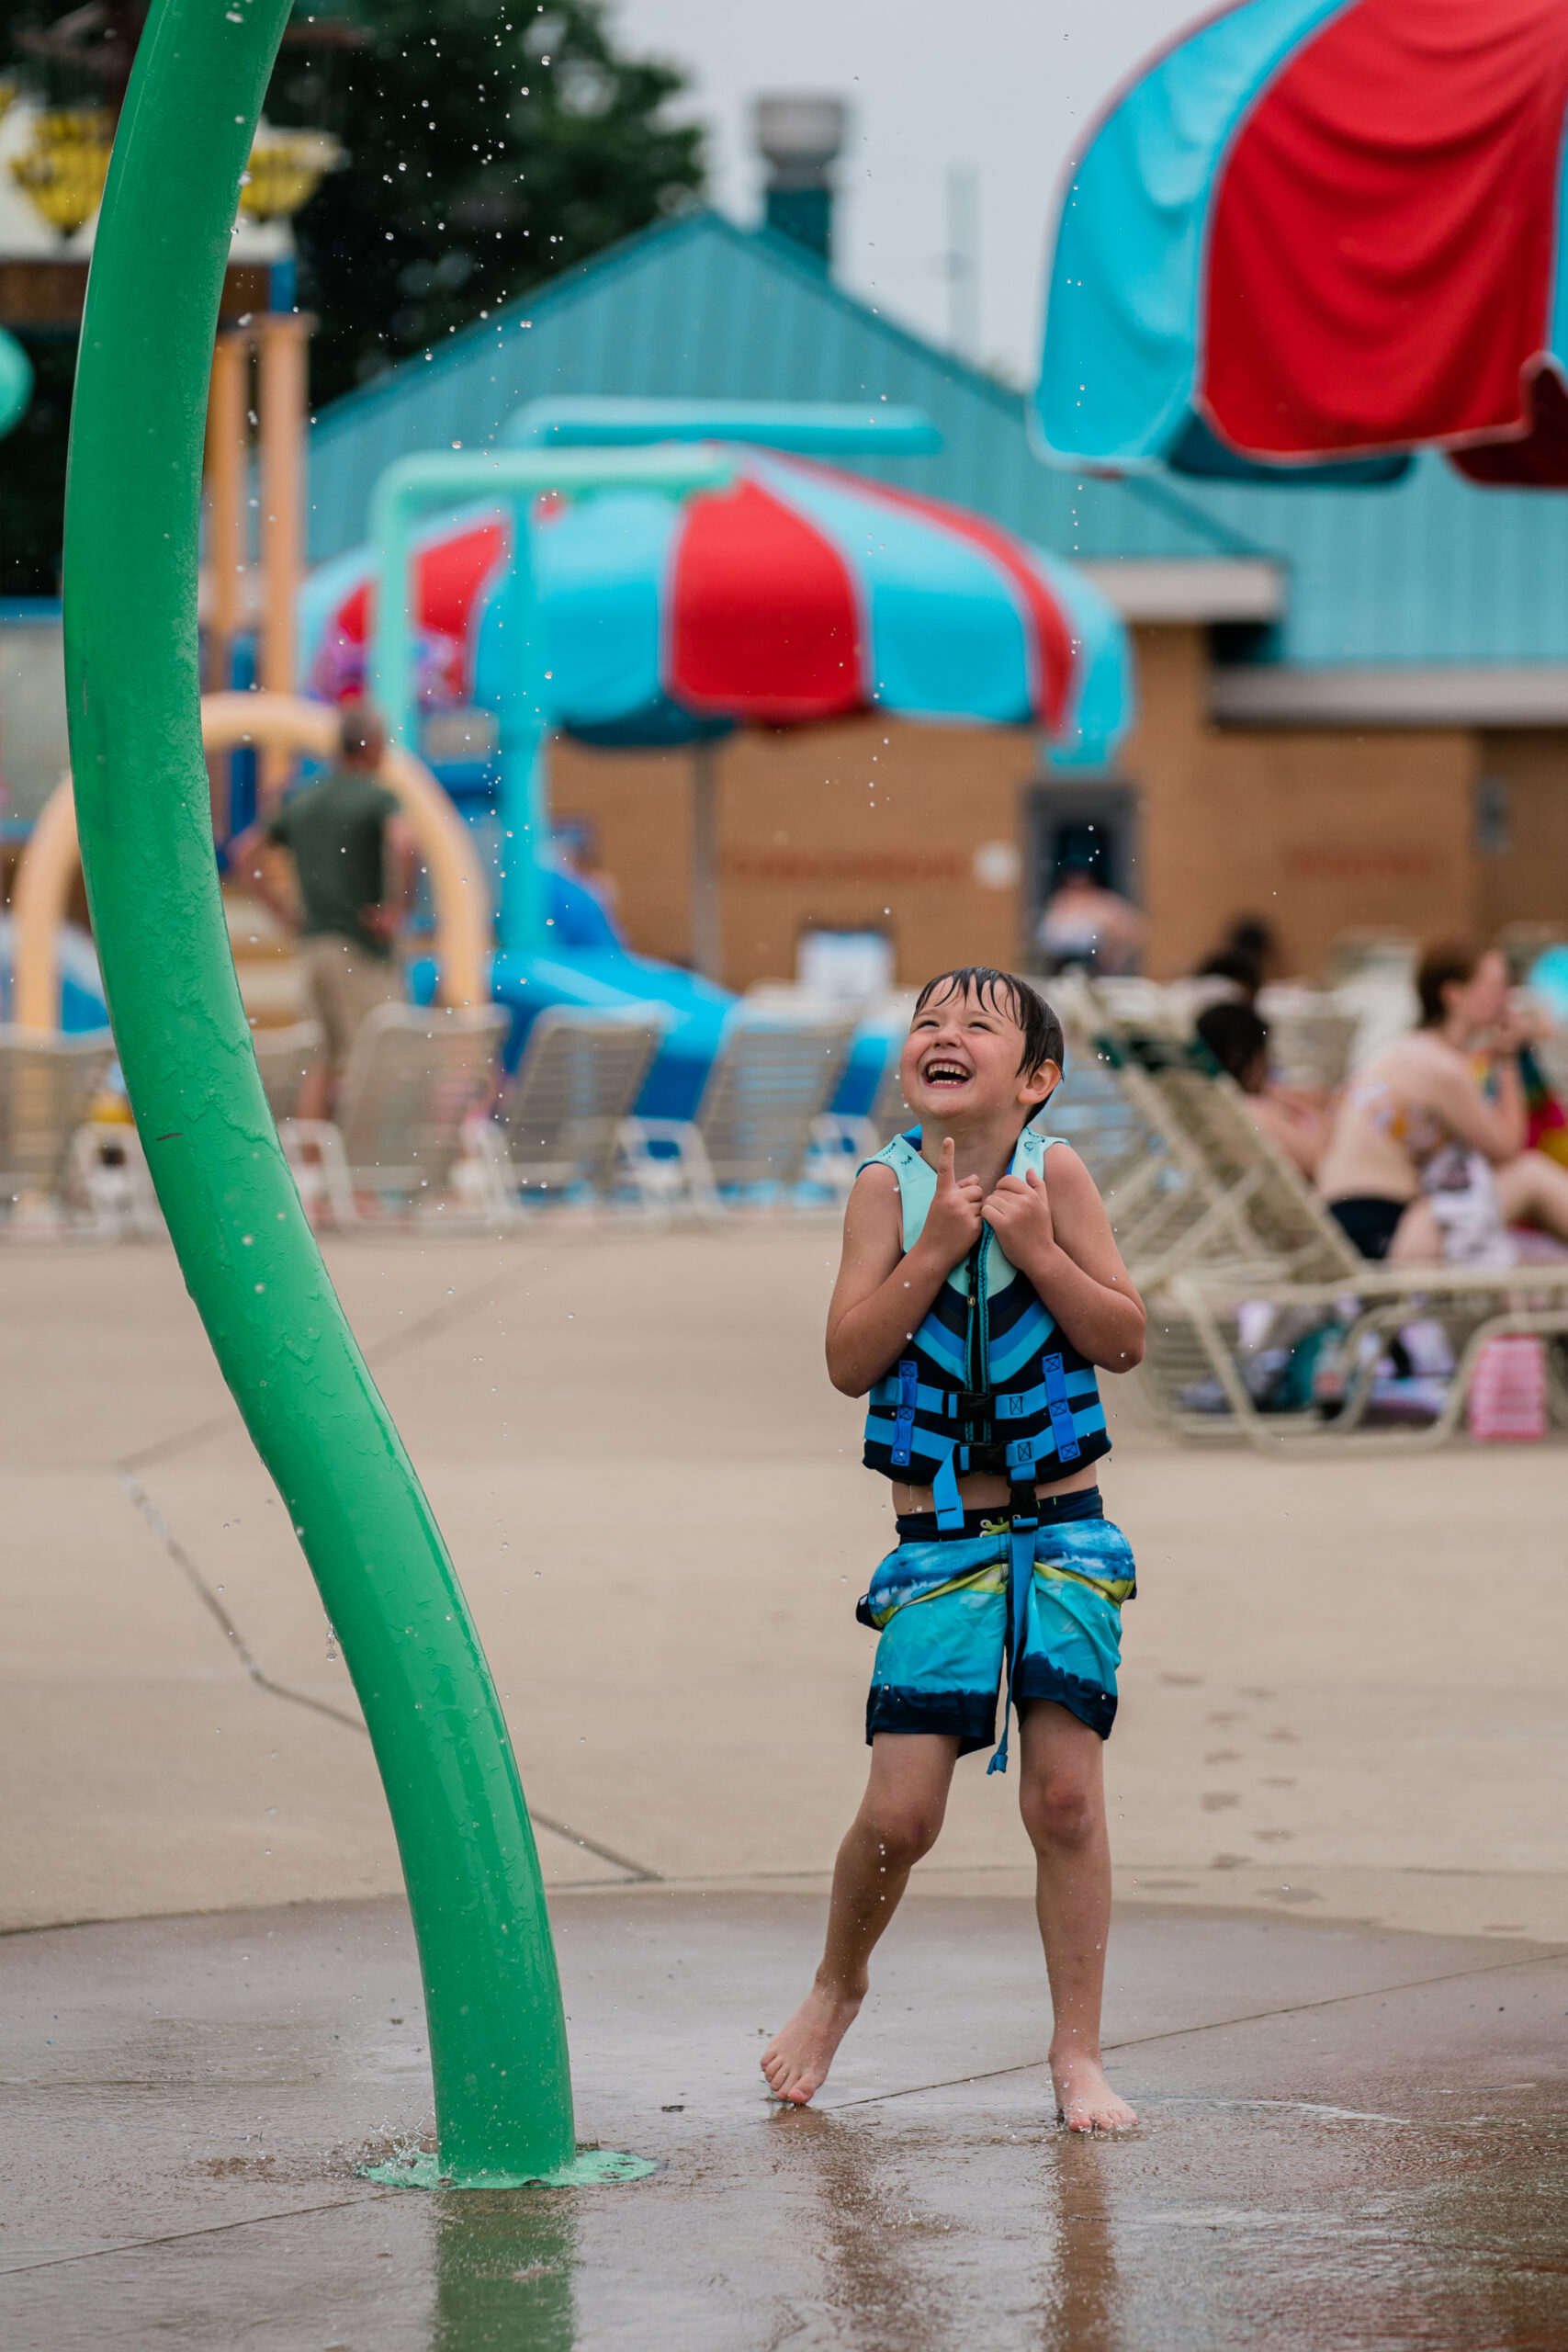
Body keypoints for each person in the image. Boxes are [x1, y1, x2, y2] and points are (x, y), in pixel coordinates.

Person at [761, 967, 1146, 2132]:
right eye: (929, 1019)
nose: (945, 1034)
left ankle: (1076, 2053)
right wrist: (935, 1244)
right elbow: (848, 1358)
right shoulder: (885, 1187)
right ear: (906, 1065)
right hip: (939, 1541)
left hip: (1066, 1533)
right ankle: (839, 1984)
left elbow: (1121, 1338)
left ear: (1036, 1079)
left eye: (979, 1024)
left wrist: (1039, 1250)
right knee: (902, 1816)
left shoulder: (1057, 1174)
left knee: (1066, 1800)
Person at [1315, 939, 1568, 1261]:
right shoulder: (1441, 1067)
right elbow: (1507, 1149)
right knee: (1531, 1175)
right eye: (1495, 985)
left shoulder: (1405, 1050)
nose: (1508, 999)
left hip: (1356, 1224)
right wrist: (1507, 1058)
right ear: (1454, 994)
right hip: (1389, 1230)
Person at [230, 701, 417, 1117]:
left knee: (319, 1064)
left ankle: (313, 1171)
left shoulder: (306, 799)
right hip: (360, 951)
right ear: (371, 748)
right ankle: (361, 1179)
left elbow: (245, 854)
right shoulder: (376, 797)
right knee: (372, 1062)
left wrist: (281, 912)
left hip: (313, 950)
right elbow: (404, 843)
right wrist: (396, 909)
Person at [1195, 1001, 1328, 1178]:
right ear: (1241, 1056)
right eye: (1264, 1053)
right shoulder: (1250, 1111)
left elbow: (1318, 1096)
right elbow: (1319, 1163)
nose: (1269, 1063)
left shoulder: (1250, 1096)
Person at [1035, 860, 1145, 977]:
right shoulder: (1059, 903)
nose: (1075, 890)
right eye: (1071, 884)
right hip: (1060, 965)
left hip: (1093, 966)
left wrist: (1114, 955)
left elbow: (1137, 929)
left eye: (1080, 885)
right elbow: (1044, 937)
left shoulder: (1105, 903)